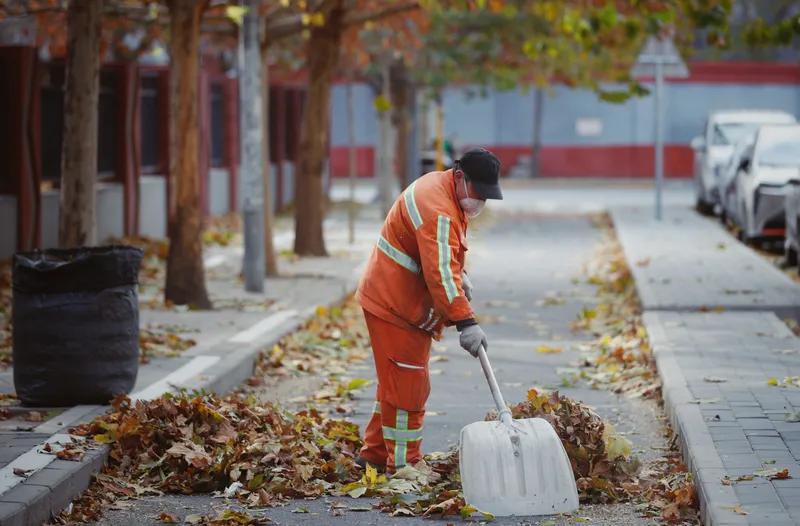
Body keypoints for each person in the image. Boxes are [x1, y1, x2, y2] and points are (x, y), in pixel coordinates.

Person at [355, 148, 504, 473]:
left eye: (487, 196)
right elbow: (439, 273)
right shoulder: (438, 208)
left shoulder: (444, 189)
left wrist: (459, 275)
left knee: (395, 381)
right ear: (460, 176)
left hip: (397, 299)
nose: (481, 202)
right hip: (394, 304)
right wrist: (466, 322)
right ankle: (405, 465)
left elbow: (439, 256)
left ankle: (375, 455)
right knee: (409, 385)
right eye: (479, 193)